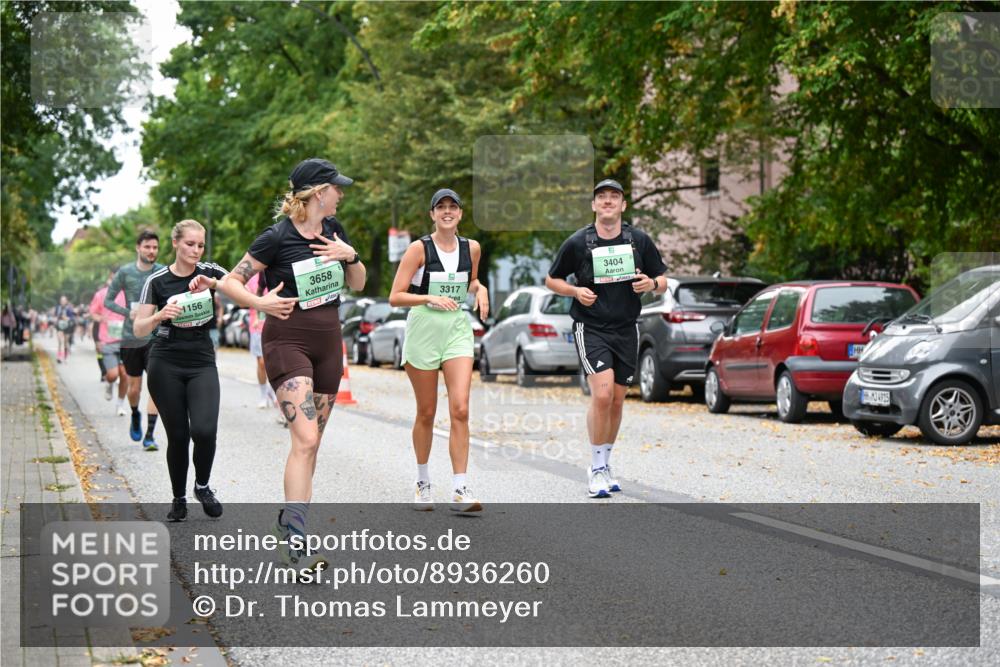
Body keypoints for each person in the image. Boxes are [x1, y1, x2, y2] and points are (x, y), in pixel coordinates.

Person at [217, 157, 365, 569]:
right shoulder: (277, 237)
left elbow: (359, 283)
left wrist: (350, 256)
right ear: (318, 193)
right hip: (287, 341)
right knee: (305, 439)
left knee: (312, 442)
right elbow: (231, 280)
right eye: (337, 187)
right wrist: (259, 301)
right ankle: (297, 543)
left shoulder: (335, 232)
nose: (341, 193)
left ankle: (288, 520)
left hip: (329, 345)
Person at [544, 179, 668, 498]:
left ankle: (606, 462)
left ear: (623, 205)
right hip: (591, 326)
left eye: (614, 197)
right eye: (602, 197)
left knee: (616, 399)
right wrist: (575, 291)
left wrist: (650, 284)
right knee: (601, 395)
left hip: (626, 327)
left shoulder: (638, 240)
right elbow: (551, 279)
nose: (608, 201)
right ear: (594, 205)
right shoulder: (579, 242)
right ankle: (596, 468)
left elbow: (664, 280)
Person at [388, 188, 488, 513]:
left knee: (460, 408)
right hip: (424, 328)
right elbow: (396, 296)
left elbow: (469, 281)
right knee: (427, 412)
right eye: (440, 207)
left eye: (453, 207)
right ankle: (422, 481)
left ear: (460, 213)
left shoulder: (471, 248)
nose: (447, 212)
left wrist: (481, 288)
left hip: (456, 328)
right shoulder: (419, 249)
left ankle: (460, 488)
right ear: (432, 214)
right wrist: (428, 297)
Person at [134, 220, 228, 522]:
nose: (196, 250)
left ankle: (202, 486)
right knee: (178, 436)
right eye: (190, 244)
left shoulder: (210, 271)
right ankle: (178, 499)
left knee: (205, 430)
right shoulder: (157, 281)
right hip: (166, 361)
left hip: (201, 359)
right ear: (176, 243)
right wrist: (161, 315)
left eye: (200, 245)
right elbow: (138, 329)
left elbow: (243, 287)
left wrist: (214, 284)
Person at [106, 229, 164, 451]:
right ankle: (134, 413)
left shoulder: (162, 272)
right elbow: (108, 301)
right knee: (134, 389)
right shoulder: (125, 272)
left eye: (155, 247)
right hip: (131, 339)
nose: (152, 251)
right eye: (147, 247)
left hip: (155, 338)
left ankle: (149, 435)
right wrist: (126, 312)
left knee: (157, 385)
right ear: (138, 248)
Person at [90, 271, 129, 413]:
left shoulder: (127, 294)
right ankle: (110, 383)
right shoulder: (101, 294)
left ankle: (120, 405)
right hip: (107, 340)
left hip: (125, 341)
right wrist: (101, 319)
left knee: (125, 375)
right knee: (113, 375)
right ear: (110, 277)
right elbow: (93, 313)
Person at [245, 273, 279, 411]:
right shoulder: (252, 278)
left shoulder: (277, 271)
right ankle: (263, 395)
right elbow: (243, 299)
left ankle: (274, 391)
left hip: (276, 324)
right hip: (257, 325)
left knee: (275, 363)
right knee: (261, 363)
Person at [53, 296, 76, 363]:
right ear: (60, 301)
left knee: (65, 342)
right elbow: (55, 316)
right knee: (60, 341)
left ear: (66, 301)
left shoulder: (69, 308)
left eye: (64, 300)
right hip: (59, 325)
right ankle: (59, 357)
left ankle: (65, 357)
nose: (62, 302)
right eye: (61, 300)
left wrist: (67, 318)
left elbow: (72, 317)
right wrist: (56, 319)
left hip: (67, 326)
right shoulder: (58, 307)